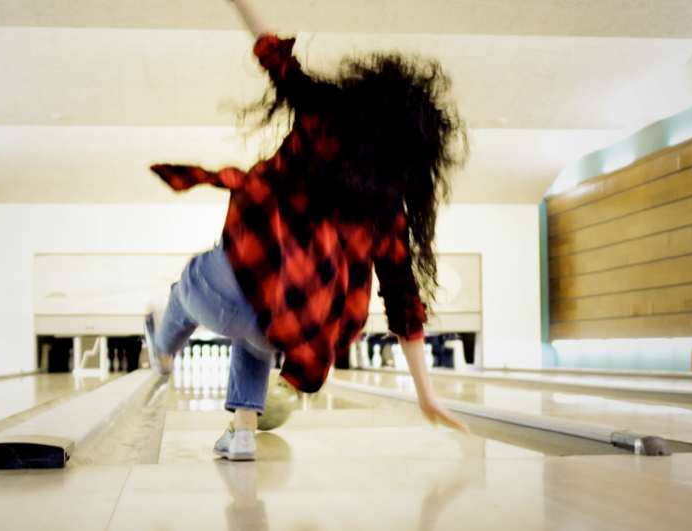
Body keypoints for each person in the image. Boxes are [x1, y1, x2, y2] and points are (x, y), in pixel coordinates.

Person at [144, 0, 471, 461]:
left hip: (222, 287)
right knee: (256, 339)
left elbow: (273, 53)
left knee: (185, 287)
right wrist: (426, 395)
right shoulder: (386, 207)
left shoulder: (323, 114)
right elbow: (404, 302)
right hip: (282, 328)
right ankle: (241, 435)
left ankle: (162, 349)